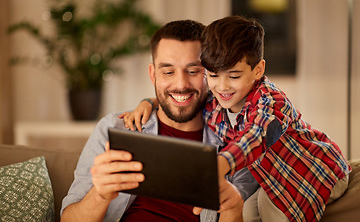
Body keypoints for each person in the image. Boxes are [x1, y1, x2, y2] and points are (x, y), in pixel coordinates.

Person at [122, 15, 351, 222]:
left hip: (314, 172)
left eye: (234, 76)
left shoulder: (271, 103)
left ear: (258, 70)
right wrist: (148, 102)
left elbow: (255, 136)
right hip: (271, 177)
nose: (222, 87)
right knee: (247, 211)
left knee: (273, 210)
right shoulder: (217, 101)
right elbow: (189, 99)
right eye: (212, 75)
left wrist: (218, 164)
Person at [60, 19, 258, 222]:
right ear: (153, 75)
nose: (181, 84)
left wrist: (233, 209)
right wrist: (100, 195)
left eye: (193, 71)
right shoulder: (115, 127)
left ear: (210, 72)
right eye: (168, 72)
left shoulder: (239, 146)